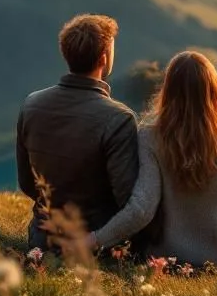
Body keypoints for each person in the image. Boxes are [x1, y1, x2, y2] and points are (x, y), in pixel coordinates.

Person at [88, 50, 217, 269]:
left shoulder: (149, 136)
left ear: (168, 91)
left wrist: (95, 239)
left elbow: (141, 209)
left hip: (166, 259)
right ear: (213, 92)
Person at [16, 14, 139, 251]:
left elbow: (26, 182)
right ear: (104, 58)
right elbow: (128, 199)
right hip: (97, 246)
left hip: (42, 241)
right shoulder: (119, 119)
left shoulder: (31, 104)